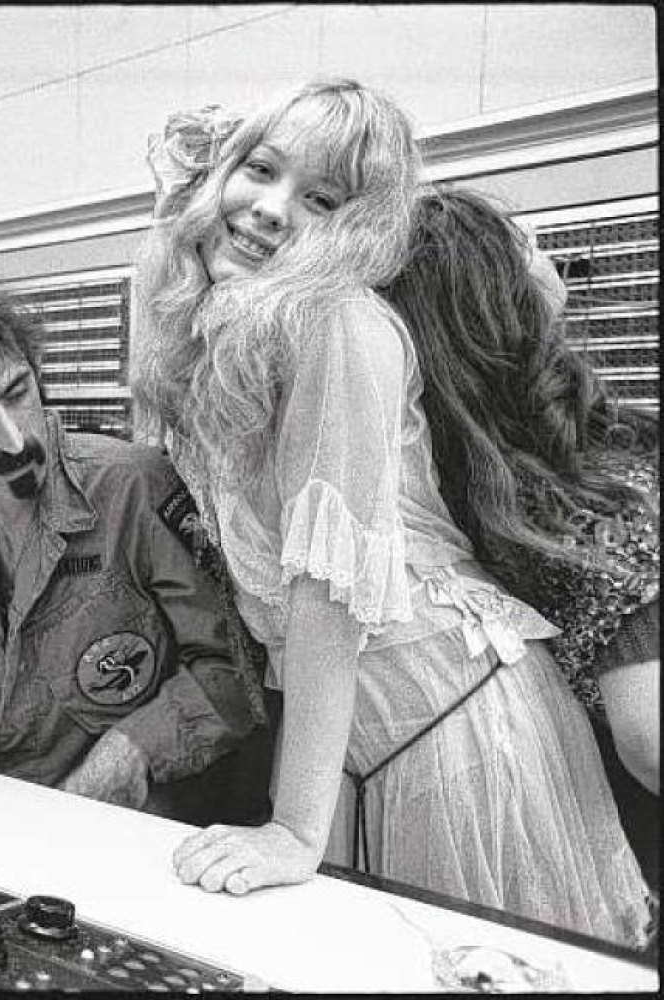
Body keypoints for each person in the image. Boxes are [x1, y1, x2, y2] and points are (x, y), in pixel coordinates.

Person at [129, 78, 650, 947]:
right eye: (260, 169)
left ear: (357, 226)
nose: (270, 209)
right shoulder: (233, 324)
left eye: (321, 199)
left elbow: (328, 593)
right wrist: (175, 216)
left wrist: (294, 828)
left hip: (456, 725)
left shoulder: (342, 322)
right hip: (356, 742)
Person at [0, 277, 273, 823]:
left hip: (128, 836)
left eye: (17, 394)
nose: (14, 440)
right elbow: (5, 688)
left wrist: (134, 748)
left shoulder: (136, 488)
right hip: (3, 829)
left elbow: (238, 675)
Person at [382, 187, 659, 797]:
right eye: (517, 241)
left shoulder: (455, 484)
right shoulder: (593, 502)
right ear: (500, 305)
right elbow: (651, 744)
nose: (539, 249)